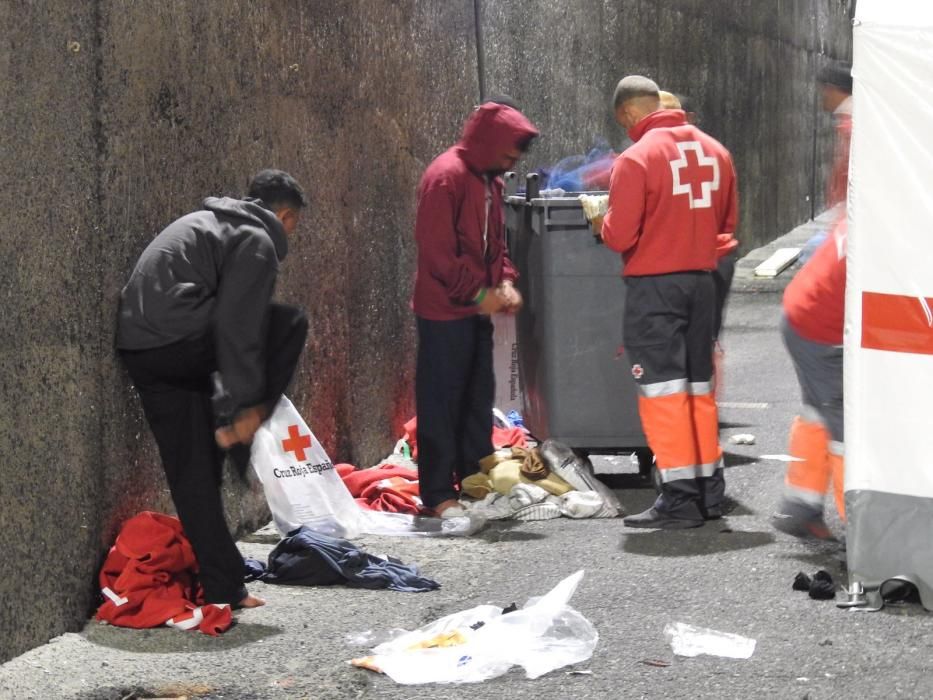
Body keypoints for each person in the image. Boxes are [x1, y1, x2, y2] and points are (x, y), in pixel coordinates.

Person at [116, 169, 309, 607]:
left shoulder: (210, 224)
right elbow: (237, 327)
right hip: (179, 336)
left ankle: (225, 586)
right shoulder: (257, 239)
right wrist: (247, 409)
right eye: (295, 224)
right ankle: (238, 426)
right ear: (285, 216)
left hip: (142, 349)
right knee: (287, 324)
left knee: (194, 471)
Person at [598, 75, 738, 528]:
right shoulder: (718, 152)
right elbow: (726, 224)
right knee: (699, 388)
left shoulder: (636, 158)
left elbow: (621, 234)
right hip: (703, 283)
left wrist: (602, 221)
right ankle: (708, 490)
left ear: (628, 114)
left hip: (655, 287)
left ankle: (678, 499)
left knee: (662, 391)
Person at [412, 101, 539, 518]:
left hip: (475, 310)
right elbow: (438, 256)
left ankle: (474, 478)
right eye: (506, 156)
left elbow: (497, 246)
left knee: (476, 397)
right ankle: (436, 494)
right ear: (487, 145)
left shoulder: (491, 181)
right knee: (440, 401)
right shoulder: (444, 178)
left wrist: (504, 280)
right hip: (444, 311)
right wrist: (480, 295)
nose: (509, 165)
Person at [773, 61, 852, 539]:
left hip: (807, 311)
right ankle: (861, 530)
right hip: (819, 324)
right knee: (845, 425)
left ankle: (800, 508)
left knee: (821, 412)